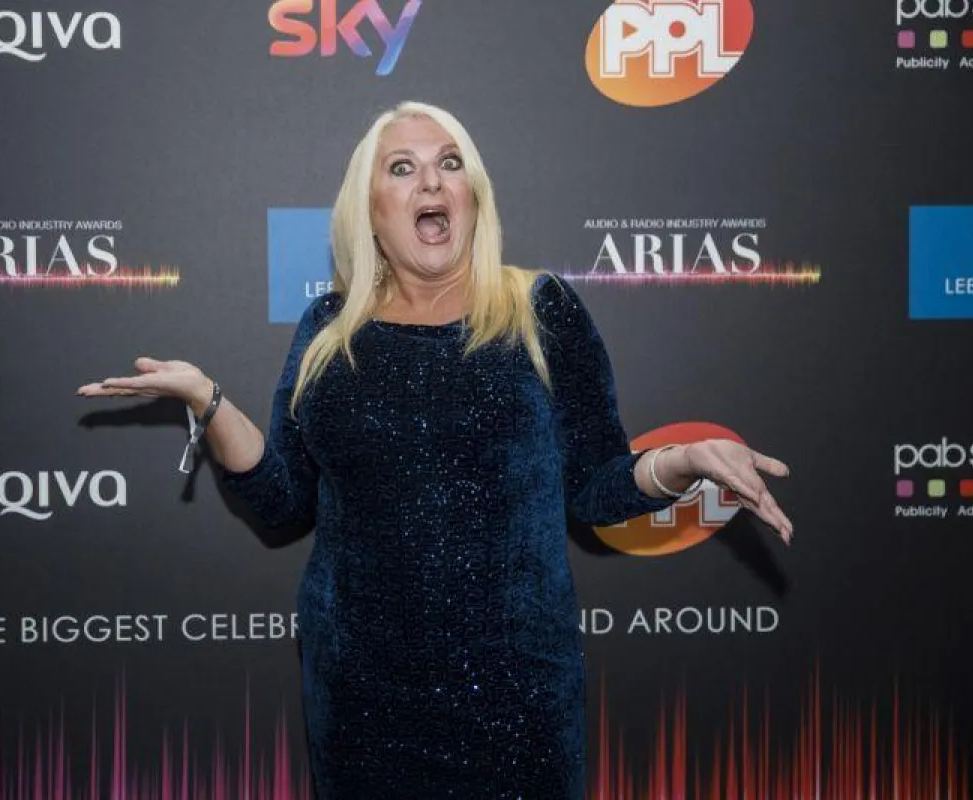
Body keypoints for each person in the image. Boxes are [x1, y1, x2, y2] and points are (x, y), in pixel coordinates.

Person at [77, 101, 792, 798]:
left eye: (450, 164)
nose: (431, 181)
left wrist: (685, 460)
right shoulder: (328, 331)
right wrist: (208, 399)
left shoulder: (541, 310)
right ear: (370, 211)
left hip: (517, 702)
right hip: (361, 700)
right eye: (402, 167)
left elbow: (596, 487)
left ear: (473, 196)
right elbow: (283, 501)